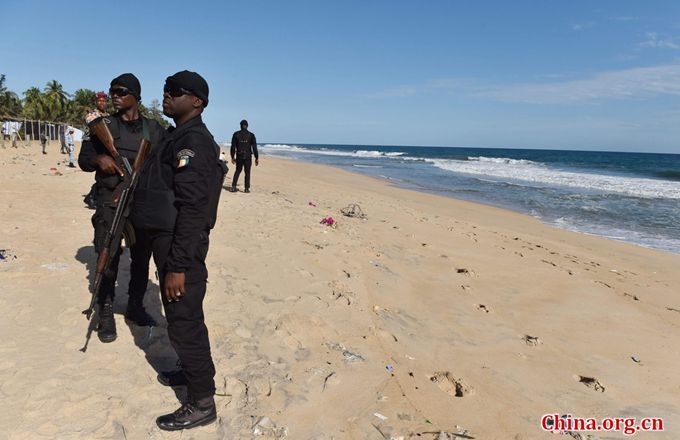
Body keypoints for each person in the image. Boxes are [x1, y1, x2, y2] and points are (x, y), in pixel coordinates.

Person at [131, 70, 225, 430]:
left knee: (184, 322)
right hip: (167, 242)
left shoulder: (194, 143)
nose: (167, 95)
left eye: (175, 92)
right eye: (166, 90)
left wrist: (178, 266)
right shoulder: (176, 137)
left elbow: (193, 209)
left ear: (197, 101)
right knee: (180, 318)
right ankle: (190, 373)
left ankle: (202, 403)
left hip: (179, 246)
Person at [78, 73, 166, 343]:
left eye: (121, 91)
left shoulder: (154, 130)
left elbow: (165, 162)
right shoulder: (103, 126)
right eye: (112, 91)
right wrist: (99, 158)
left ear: (136, 96)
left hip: (141, 204)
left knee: (141, 258)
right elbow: (83, 160)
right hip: (110, 201)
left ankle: (135, 307)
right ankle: (104, 312)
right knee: (109, 256)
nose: (114, 96)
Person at [83, 92, 110, 209]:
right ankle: (92, 197)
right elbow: (96, 127)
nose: (102, 103)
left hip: (103, 146)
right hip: (92, 145)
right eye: (100, 101)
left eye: (104, 101)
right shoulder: (91, 115)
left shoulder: (108, 116)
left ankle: (92, 197)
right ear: (96, 102)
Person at [229, 119, 258, 193]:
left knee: (238, 171)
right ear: (247, 126)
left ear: (240, 126)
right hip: (248, 156)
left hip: (239, 155)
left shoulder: (236, 134)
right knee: (247, 172)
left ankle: (233, 187)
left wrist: (232, 157)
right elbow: (254, 147)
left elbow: (233, 147)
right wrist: (256, 157)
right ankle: (246, 188)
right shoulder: (251, 135)